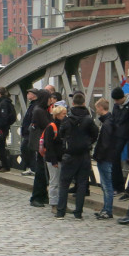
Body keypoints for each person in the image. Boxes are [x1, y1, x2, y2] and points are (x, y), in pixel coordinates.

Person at [55, 92, 98, 220]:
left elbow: (61, 134)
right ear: (84, 103)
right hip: (84, 155)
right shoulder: (89, 120)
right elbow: (96, 133)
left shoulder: (67, 119)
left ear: (72, 103)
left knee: (64, 184)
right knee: (82, 184)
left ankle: (60, 212)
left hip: (69, 155)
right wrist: (89, 143)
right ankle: (78, 213)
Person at [93, 98, 116, 220]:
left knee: (106, 185)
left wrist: (98, 156)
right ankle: (106, 209)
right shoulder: (109, 121)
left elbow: (105, 144)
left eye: (97, 107)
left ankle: (108, 210)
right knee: (106, 184)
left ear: (101, 108)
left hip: (105, 158)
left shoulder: (107, 124)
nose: (96, 110)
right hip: (107, 157)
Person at [28, 89, 52, 208]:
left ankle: (42, 195)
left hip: (42, 144)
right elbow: (48, 126)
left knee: (43, 171)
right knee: (41, 172)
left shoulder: (41, 109)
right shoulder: (39, 111)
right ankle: (36, 197)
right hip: (41, 145)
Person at [110, 87, 129, 196]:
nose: (115, 102)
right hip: (117, 135)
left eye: (117, 100)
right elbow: (114, 118)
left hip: (128, 135)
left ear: (122, 98)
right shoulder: (116, 106)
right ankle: (118, 186)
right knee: (114, 159)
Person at [43, 104, 67, 213]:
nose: (65, 116)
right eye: (63, 114)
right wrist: (53, 160)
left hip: (62, 158)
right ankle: (54, 205)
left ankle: (61, 204)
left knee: (62, 182)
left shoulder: (64, 126)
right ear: (57, 115)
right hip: (54, 160)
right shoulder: (51, 127)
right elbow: (49, 145)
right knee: (54, 182)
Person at [0, 87, 15, 172]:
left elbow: (3, 117)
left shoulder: (3, 103)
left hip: (2, 129)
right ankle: (2, 164)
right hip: (3, 128)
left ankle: (5, 165)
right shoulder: (6, 102)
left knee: (1, 147)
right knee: (1, 146)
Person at [20, 88, 39, 176]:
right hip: (28, 131)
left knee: (26, 148)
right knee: (27, 149)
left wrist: (29, 129)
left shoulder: (35, 105)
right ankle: (32, 168)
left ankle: (32, 167)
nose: (27, 95)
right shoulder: (32, 105)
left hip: (30, 132)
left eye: (29, 93)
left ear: (34, 95)